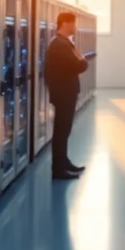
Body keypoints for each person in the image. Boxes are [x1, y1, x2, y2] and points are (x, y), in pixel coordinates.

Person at [45, 11, 89, 180]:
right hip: (64, 94)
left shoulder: (62, 43)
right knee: (62, 131)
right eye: (72, 23)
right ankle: (58, 169)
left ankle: (64, 163)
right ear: (64, 23)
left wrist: (80, 60)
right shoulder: (60, 45)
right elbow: (79, 66)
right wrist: (82, 60)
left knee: (64, 131)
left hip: (65, 93)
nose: (75, 26)